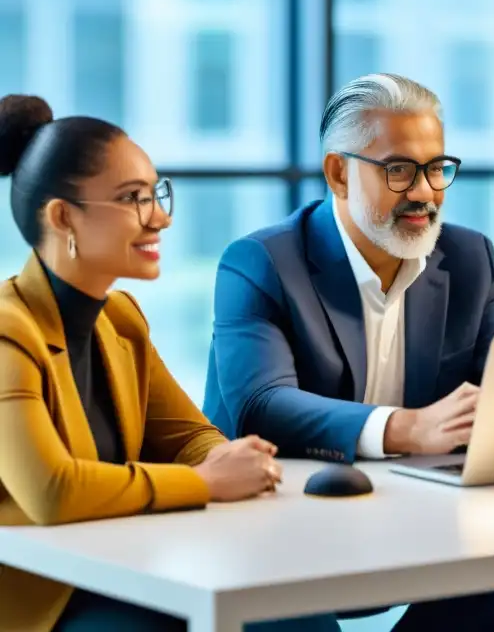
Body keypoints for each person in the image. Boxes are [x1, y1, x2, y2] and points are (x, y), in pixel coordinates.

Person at [203, 73, 494, 631]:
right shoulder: (261, 261)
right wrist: (405, 428)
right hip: (277, 522)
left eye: (437, 168)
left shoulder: (468, 257)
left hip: (413, 509)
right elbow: (261, 403)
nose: (424, 191)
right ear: (338, 173)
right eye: (399, 170)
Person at [0, 95, 286, 631]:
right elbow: (52, 492)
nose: (161, 216)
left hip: (127, 565)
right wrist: (205, 483)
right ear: (63, 217)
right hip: (42, 601)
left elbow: (187, 436)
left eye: (155, 193)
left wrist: (234, 458)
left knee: (290, 616)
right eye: (134, 198)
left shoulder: (121, 321)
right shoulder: (7, 333)